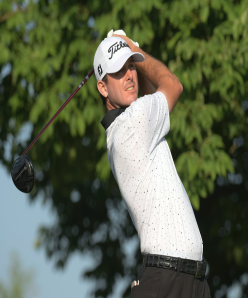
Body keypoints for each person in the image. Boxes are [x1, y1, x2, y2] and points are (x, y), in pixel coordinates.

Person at [94, 30, 211, 298]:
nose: (130, 76)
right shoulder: (133, 125)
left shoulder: (130, 125)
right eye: (118, 71)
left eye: (132, 66)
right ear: (102, 87)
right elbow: (172, 84)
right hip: (165, 282)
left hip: (190, 281)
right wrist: (134, 47)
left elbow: (147, 98)